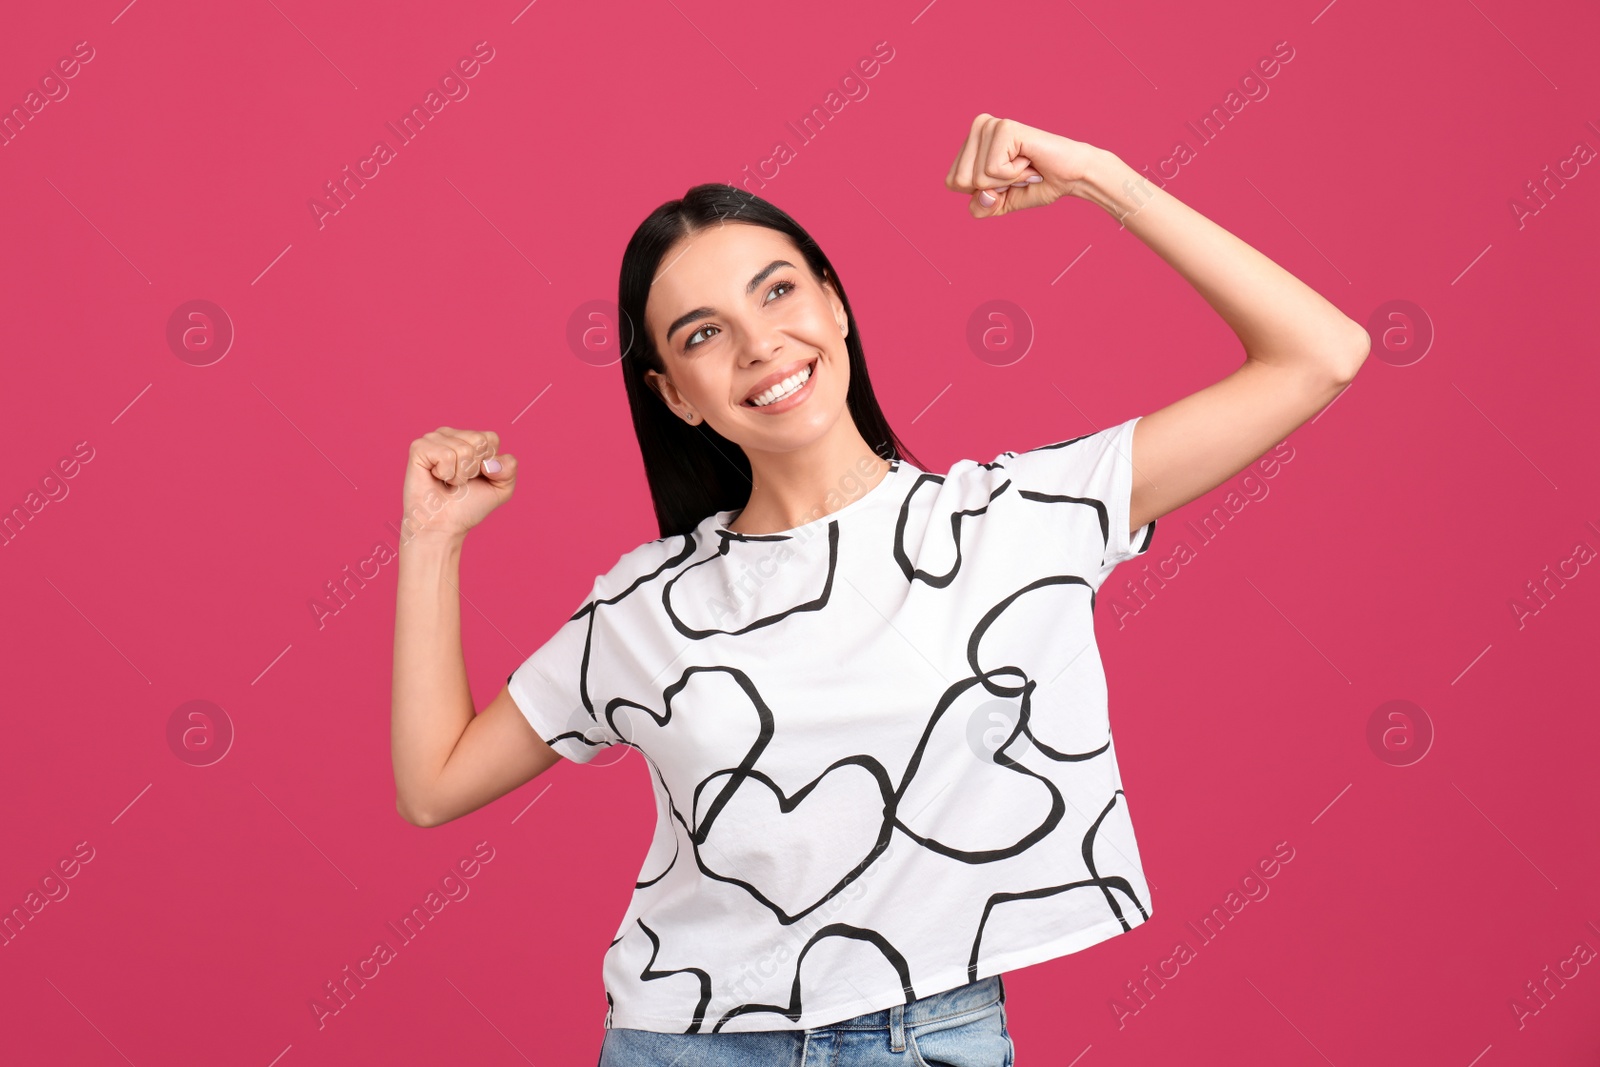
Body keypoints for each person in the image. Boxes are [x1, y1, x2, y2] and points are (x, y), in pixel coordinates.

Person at [390, 114, 1370, 1065]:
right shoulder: (646, 605)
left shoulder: (1015, 519)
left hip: (924, 1036)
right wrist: (431, 539)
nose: (760, 343)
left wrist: (1099, 178)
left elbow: (1319, 354)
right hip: (682, 1043)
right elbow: (435, 783)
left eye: (777, 291)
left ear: (835, 302)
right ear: (673, 394)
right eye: (701, 333)